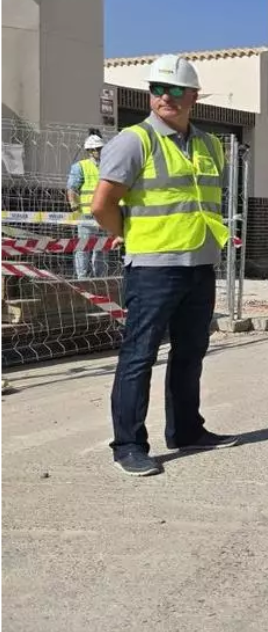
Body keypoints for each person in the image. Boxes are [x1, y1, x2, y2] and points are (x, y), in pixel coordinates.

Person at [91, 55, 238, 477]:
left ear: (193, 96)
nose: (164, 97)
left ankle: (187, 429)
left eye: (174, 90)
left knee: (191, 352)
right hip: (154, 269)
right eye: (157, 89)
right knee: (139, 356)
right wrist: (129, 235)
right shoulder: (134, 141)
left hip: (199, 265)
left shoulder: (210, 145)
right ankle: (129, 444)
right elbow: (103, 205)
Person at [67, 131, 110, 279]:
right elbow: (72, 189)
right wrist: (74, 206)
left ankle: (100, 278)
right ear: (89, 151)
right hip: (86, 214)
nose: (98, 151)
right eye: (96, 149)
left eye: (100, 148)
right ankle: (82, 278)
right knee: (84, 247)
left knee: (101, 247)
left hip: (104, 213)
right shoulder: (80, 166)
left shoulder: (108, 166)